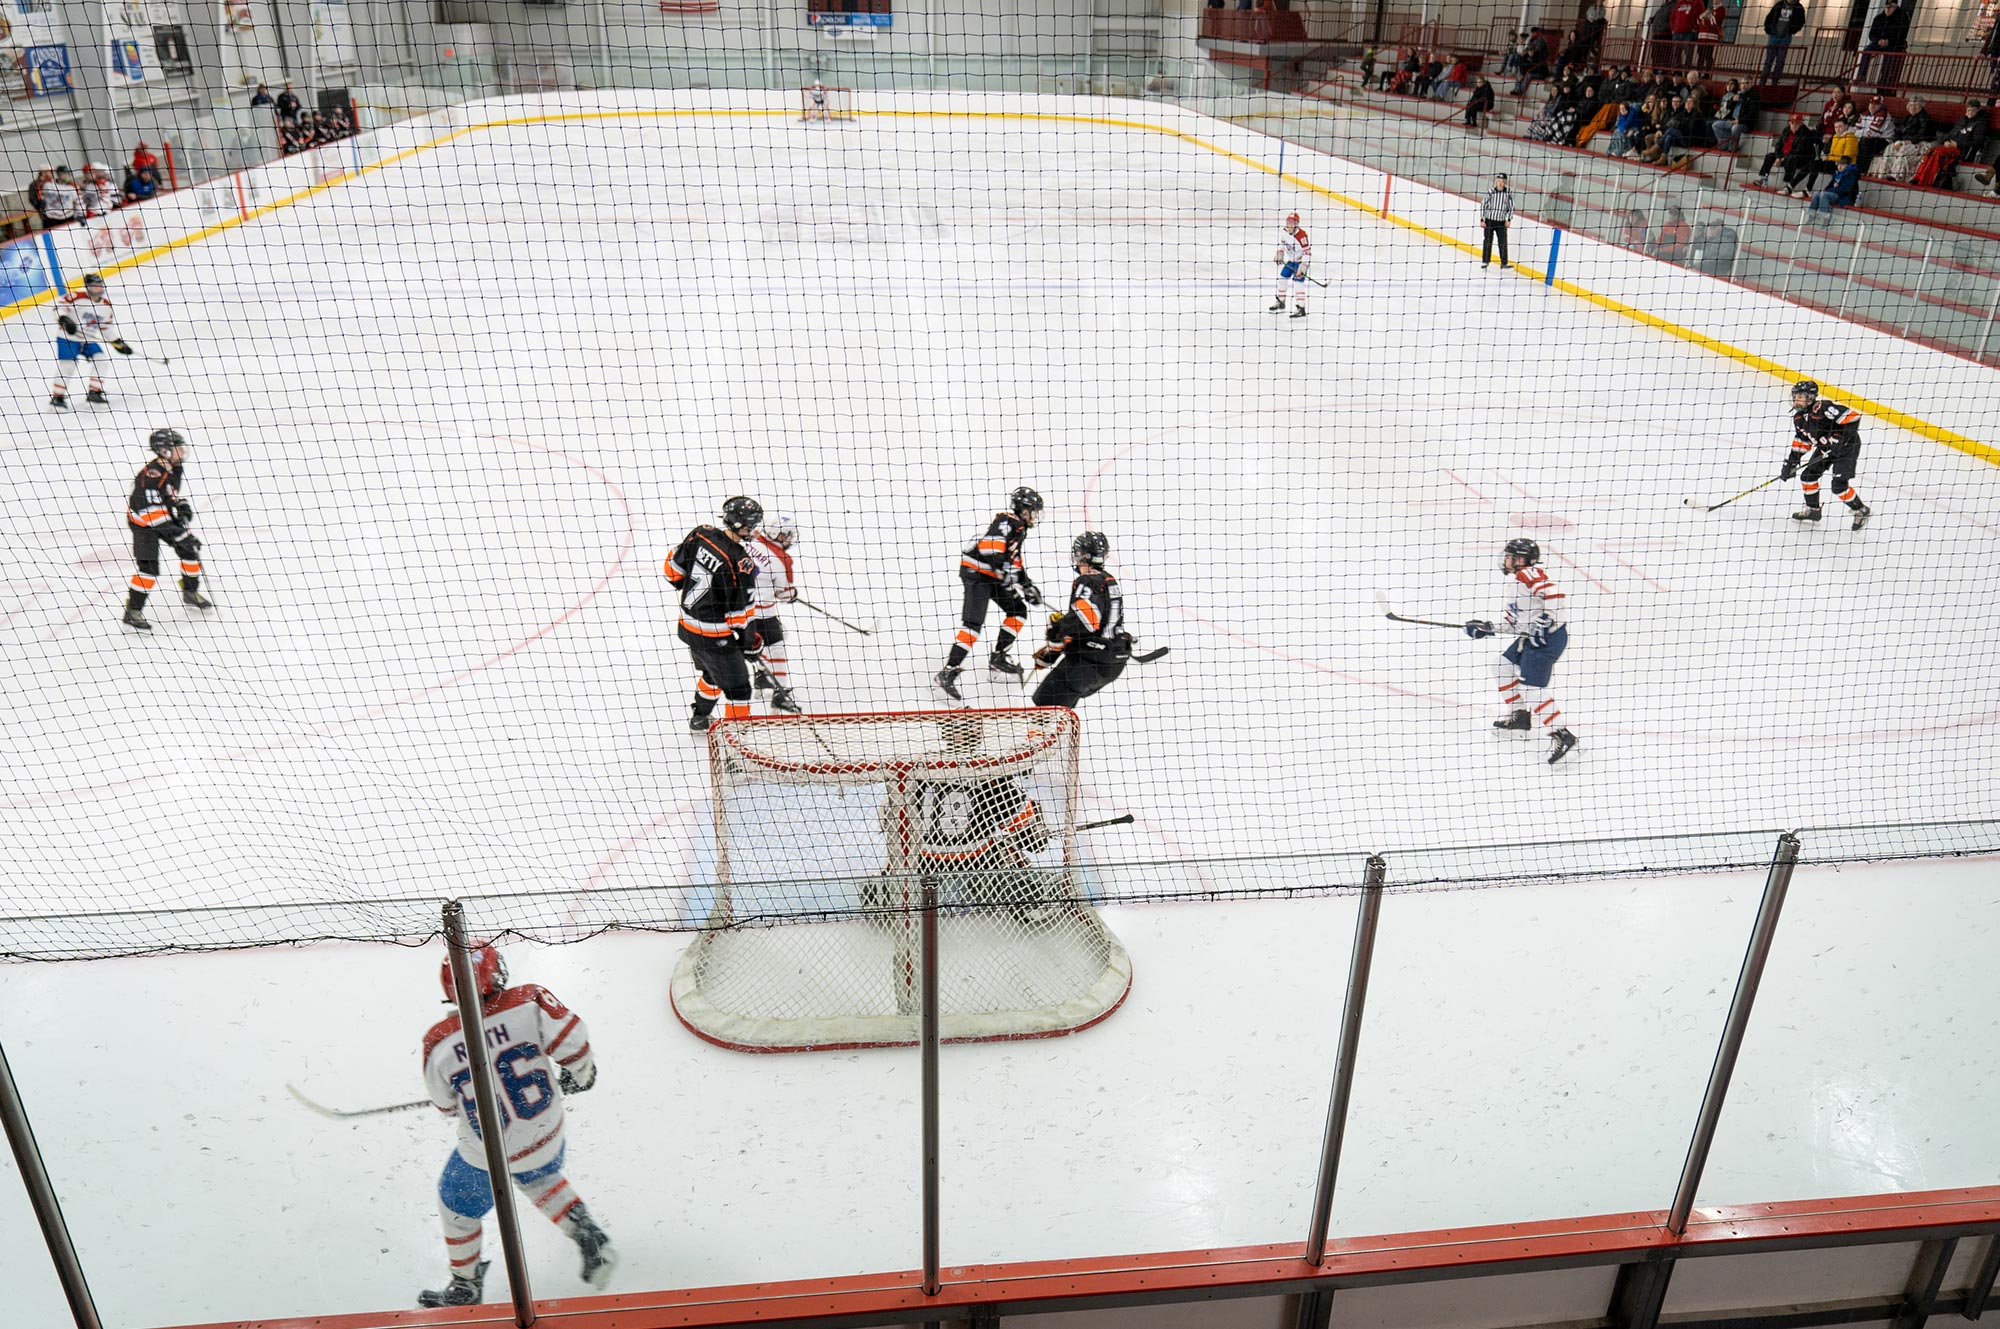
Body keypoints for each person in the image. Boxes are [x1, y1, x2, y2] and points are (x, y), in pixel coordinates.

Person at [417, 944, 614, 1308]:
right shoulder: (530, 1000)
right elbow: (575, 1047)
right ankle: (587, 1233)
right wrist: (580, 1075)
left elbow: (445, 1106)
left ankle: (465, 1285)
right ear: (495, 975)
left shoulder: (438, 1042)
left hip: (490, 1153)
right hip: (547, 1133)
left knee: (456, 1202)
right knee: (537, 1175)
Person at [871, 715, 1054, 917]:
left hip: (921, 858)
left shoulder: (919, 766)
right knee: (1009, 852)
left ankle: (886, 891)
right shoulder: (990, 768)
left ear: (945, 734)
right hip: (977, 857)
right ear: (978, 736)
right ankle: (1022, 895)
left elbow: (889, 818)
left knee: (897, 861)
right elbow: (1029, 835)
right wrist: (1037, 832)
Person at [1464, 538, 1578, 764]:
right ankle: (1520, 717)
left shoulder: (1529, 574)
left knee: (1532, 690)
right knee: (1501, 665)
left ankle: (1563, 736)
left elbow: (1556, 598)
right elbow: (1517, 624)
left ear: (1520, 560)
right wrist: (1488, 628)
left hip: (1548, 640)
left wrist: (1546, 621)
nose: (1505, 560)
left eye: (1509, 556)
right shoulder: (1516, 583)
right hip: (1530, 638)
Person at [664, 496, 764, 732]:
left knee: (712, 672)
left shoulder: (701, 534)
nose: (755, 530)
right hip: (714, 637)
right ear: (741, 525)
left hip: (687, 627)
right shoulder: (741, 562)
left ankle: (699, 718)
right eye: (752, 524)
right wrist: (751, 644)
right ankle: (733, 747)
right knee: (739, 689)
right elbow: (741, 617)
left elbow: (672, 571)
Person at [936, 488, 1044, 700]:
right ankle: (947, 673)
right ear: (1023, 510)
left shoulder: (1018, 527)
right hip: (976, 575)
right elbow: (989, 548)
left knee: (1018, 610)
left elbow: (1012, 561)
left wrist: (1026, 585)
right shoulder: (1009, 520)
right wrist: (1003, 570)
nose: (1035, 516)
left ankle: (998, 660)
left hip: (989, 575)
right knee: (973, 626)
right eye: (1033, 511)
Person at [1031, 531, 1132, 710]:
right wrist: (1052, 652)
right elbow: (1090, 627)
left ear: (1082, 556)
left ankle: (1039, 738)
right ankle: (1054, 737)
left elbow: (1086, 620)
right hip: (1111, 662)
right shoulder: (1108, 580)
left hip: (1090, 662)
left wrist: (1058, 629)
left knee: (1046, 704)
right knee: (1060, 711)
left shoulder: (1086, 580)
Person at [123, 428, 212, 630]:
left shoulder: (174, 468)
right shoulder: (151, 476)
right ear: (164, 451)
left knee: (190, 551)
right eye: (177, 448)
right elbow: (150, 513)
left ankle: (190, 592)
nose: (182, 451)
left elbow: (167, 494)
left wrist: (180, 504)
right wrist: (180, 535)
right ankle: (133, 611)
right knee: (149, 569)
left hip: (160, 517)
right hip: (143, 525)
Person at [1781, 380, 1870, 529]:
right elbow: (1802, 441)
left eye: (1800, 396)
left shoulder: (1823, 408)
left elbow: (1853, 417)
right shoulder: (1799, 419)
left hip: (1847, 447)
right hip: (1826, 449)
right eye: (1795, 396)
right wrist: (1790, 463)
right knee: (1808, 477)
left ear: (1810, 398)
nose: (1796, 399)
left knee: (1838, 486)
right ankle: (1813, 511)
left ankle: (1861, 510)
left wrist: (1840, 438)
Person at [746, 513, 803, 714]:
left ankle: (762, 676)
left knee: (750, 646)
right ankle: (781, 694)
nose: (789, 539)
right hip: (762, 614)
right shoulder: (783, 559)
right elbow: (785, 594)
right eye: (786, 535)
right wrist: (793, 594)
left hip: (735, 610)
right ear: (777, 534)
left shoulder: (750, 539)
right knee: (777, 647)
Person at [51, 273, 133, 409]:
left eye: (100, 285)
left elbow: (105, 328)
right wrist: (64, 319)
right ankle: (57, 397)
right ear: (88, 287)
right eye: (94, 286)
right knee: (68, 365)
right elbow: (59, 307)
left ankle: (94, 392)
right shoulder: (77, 297)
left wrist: (117, 342)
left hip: (87, 339)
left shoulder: (106, 306)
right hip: (67, 338)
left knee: (101, 360)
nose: (98, 288)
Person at [1856, 0, 1909, 90]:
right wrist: (1878, 41)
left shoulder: (1902, 18)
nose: (1888, 10)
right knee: (1866, 51)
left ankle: (1884, 81)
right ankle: (1861, 75)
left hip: (1894, 44)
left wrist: (1889, 41)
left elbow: (1902, 34)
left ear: (1895, 7)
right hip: (1879, 42)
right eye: (1887, 7)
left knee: (1888, 59)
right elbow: (1872, 34)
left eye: (1891, 7)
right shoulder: (1879, 18)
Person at [1271, 209, 1311, 317]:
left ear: (1297, 224)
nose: (1290, 225)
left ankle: (1301, 307)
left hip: (1300, 262)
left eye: (1293, 223)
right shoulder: (1284, 231)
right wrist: (1280, 253)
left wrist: (1303, 266)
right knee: (1282, 279)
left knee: (1298, 284)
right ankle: (1281, 301)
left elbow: (1307, 252)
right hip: (1291, 261)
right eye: (1289, 222)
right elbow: (1282, 243)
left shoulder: (1301, 236)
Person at [1761, 0, 1806, 79]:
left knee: (1780, 60)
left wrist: (1792, 30)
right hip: (1773, 36)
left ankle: (1775, 80)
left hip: (1785, 37)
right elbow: (1769, 17)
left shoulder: (1799, 8)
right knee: (1769, 60)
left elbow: (1801, 21)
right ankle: (1763, 80)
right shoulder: (1779, 5)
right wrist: (1769, 30)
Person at [1480, 174, 1514, 269]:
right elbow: (1483, 204)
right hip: (1489, 220)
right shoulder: (1491, 192)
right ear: (1496, 181)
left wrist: (1509, 219)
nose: (1500, 183)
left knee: (1502, 242)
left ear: (1505, 182)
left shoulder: (1508, 192)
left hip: (1501, 222)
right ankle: (1485, 261)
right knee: (1488, 241)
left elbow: (1511, 207)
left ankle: (1504, 263)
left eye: (1502, 181)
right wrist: (1482, 219)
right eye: (1498, 181)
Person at [1695, 0, 1724, 74]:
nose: (1714, 1)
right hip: (1702, 36)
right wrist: (1705, 18)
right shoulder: (1710, 9)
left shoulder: (1721, 10)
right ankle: (1698, 72)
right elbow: (1699, 20)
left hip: (1711, 37)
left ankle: (1707, 73)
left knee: (1708, 55)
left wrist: (1706, 18)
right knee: (1700, 54)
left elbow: (1715, 22)